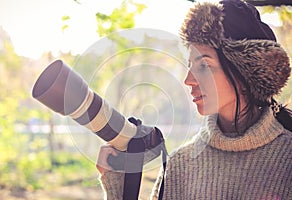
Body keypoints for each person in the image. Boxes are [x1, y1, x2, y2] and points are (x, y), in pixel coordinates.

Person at [96, 0, 292, 199]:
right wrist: (118, 188)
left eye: (204, 66)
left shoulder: (288, 159)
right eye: (190, 65)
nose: (188, 80)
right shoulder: (178, 166)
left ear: (246, 72)